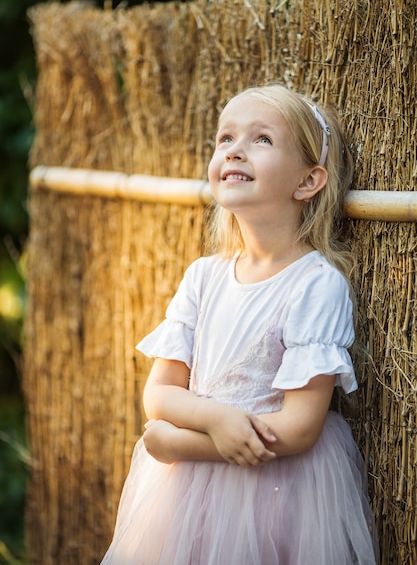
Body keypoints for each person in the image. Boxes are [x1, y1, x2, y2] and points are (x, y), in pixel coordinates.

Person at [101, 84, 379, 564]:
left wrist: (176, 441)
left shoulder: (315, 285)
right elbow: (160, 393)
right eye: (225, 138)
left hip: (276, 493)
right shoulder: (203, 277)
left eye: (262, 140)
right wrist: (216, 419)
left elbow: (298, 427)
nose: (235, 150)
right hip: (185, 497)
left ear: (308, 181)